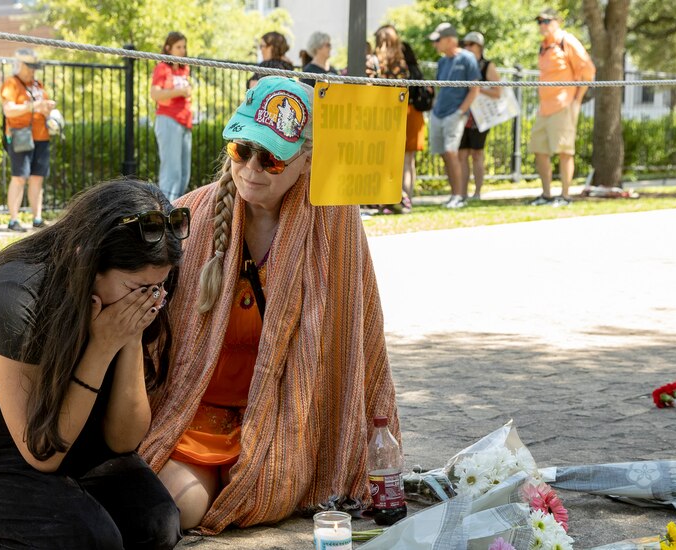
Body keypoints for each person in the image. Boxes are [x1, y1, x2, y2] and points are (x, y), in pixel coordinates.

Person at [137, 76, 400, 534]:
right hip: (199, 410)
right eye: (242, 150)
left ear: (307, 159)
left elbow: (357, 336)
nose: (252, 169)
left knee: (266, 488)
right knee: (176, 510)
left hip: (285, 417)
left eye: (273, 159)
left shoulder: (335, 224)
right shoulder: (190, 214)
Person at [0, 179, 187, 549]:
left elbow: (123, 440)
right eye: (138, 289)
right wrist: (102, 347)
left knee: (157, 528)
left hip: (69, 426)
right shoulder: (11, 297)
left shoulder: (142, 290)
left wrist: (130, 337)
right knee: (90, 544)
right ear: (87, 261)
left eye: (157, 287)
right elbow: (42, 452)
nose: (150, 300)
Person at [529, 9, 595, 207]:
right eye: (539, 21)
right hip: (544, 108)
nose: (542, 25)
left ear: (557, 21)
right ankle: (546, 195)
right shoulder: (544, 46)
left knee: (565, 151)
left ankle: (565, 196)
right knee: (539, 149)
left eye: (546, 21)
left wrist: (577, 100)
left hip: (564, 105)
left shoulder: (567, 41)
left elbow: (588, 70)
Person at [367, 24, 424, 213]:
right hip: (401, 113)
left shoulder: (374, 61)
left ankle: (388, 198)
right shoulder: (402, 63)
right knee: (407, 160)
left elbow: (368, 88)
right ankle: (406, 198)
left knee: (384, 159)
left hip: (381, 116)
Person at [0, 48, 55, 232]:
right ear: (19, 65)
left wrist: (47, 108)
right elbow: (9, 110)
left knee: (37, 177)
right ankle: (13, 220)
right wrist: (33, 106)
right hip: (20, 135)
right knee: (19, 178)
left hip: (41, 135)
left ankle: (37, 218)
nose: (32, 70)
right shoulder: (12, 83)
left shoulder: (37, 85)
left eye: (34, 67)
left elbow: (42, 108)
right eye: (29, 67)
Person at [428, 22, 480, 209]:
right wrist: (434, 109)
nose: (435, 44)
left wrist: (460, 111)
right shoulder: (442, 62)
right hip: (438, 113)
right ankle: (453, 195)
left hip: (455, 114)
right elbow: (440, 89)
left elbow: (475, 89)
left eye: (438, 40)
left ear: (450, 40)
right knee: (444, 154)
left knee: (451, 152)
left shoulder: (467, 58)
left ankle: (459, 196)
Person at [458, 32, 502, 201]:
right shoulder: (461, 65)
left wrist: (477, 88)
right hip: (462, 114)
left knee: (477, 154)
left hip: (480, 117)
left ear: (479, 47)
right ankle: (462, 193)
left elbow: (497, 92)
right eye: (465, 44)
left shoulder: (487, 66)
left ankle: (477, 193)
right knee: (462, 155)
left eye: (471, 44)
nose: (467, 47)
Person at [152, 32, 194, 202]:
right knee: (172, 173)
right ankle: (165, 209)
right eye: (178, 47)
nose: (182, 50)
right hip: (168, 120)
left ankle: (176, 208)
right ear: (168, 48)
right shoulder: (162, 68)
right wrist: (180, 91)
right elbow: (155, 94)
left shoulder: (185, 69)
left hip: (185, 122)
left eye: (184, 47)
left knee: (184, 173)